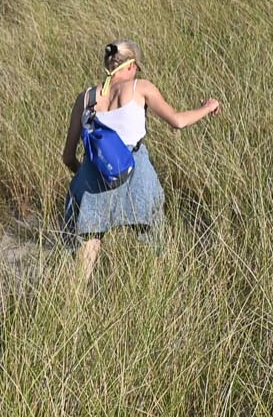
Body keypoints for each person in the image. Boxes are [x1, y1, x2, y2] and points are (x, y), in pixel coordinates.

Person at [65, 37, 220, 280]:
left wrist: (88, 173)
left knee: (89, 243)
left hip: (92, 174)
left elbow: (67, 157)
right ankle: (160, 287)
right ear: (130, 66)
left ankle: (74, 305)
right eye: (137, 67)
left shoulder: (84, 99)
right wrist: (208, 107)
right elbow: (178, 121)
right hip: (136, 171)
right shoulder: (141, 87)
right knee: (154, 239)